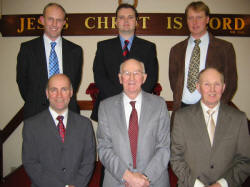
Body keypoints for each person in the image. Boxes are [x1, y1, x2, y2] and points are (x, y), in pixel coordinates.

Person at [170, 68, 250, 187]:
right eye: (207, 84)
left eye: (217, 84)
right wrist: (197, 185)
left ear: (223, 87)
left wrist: (222, 184)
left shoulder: (239, 119)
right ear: (198, 87)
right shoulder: (181, 118)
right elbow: (176, 158)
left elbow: (245, 161)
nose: (212, 89)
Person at [97, 58, 170, 187]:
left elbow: (164, 148)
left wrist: (145, 178)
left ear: (144, 77)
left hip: (153, 180)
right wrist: (128, 177)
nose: (131, 78)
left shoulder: (159, 105)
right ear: (120, 78)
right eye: (126, 73)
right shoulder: (105, 107)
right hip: (117, 180)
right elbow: (104, 148)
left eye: (136, 73)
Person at [22, 74, 96, 187]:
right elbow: (31, 163)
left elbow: (88, 160)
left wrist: (76, 185)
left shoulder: (85, 125)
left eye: (64, 89)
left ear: (71, 92)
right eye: (53, 90)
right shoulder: (31, 126)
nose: (59, 95)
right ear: (47, 93)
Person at [91, 3, 159, 121]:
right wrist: (120, 100)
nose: (126, 21)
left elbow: (151, 78)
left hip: (139, 107)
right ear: (116, 22)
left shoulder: (148, 48)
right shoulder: (103, 46)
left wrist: (133, 99)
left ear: (136, 22)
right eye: (121, 17)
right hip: (109, 106)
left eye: (130, 17)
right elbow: (99, 76)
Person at [17, 3, 83, 119]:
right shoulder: (27, 49)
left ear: (64, 23)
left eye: (59, 20)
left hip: (68, 114)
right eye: (50, 19)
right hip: (35, 114)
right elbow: (22, 82)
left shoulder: (75, 51)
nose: (54, 24)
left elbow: (74, 84)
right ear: (42, 20)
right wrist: (38, 101)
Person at [169, 1, 237, 111]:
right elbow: (174, 82)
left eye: (199, 17)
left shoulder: (225, 48)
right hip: (182, 109)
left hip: (212, 109)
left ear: (207, 19)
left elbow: (231, 83)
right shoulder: (176, 50)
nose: (194, 22)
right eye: (190, 18)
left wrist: (216, 108)